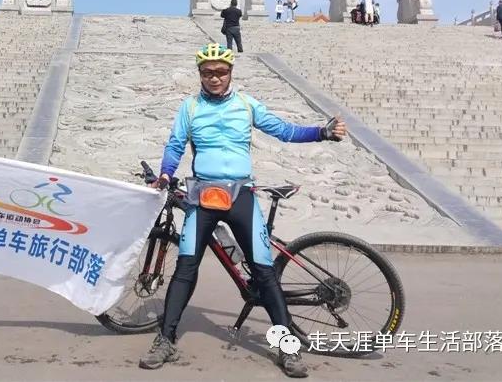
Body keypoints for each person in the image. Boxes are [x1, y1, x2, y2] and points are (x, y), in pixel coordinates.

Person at [138, 43, 346, 378]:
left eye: (220, 72)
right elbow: (175, 145)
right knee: (185, 267)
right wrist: (165, 172)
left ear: (231, 72)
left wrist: (322, 132)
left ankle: (287, 348)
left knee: (264, 272)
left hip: (240, 197)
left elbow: (284, 130)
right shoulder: (189, 107)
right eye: (208, 73)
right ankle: (166, 339)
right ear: (200, 75)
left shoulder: (247, 105)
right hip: (203, 197)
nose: (214, 78)